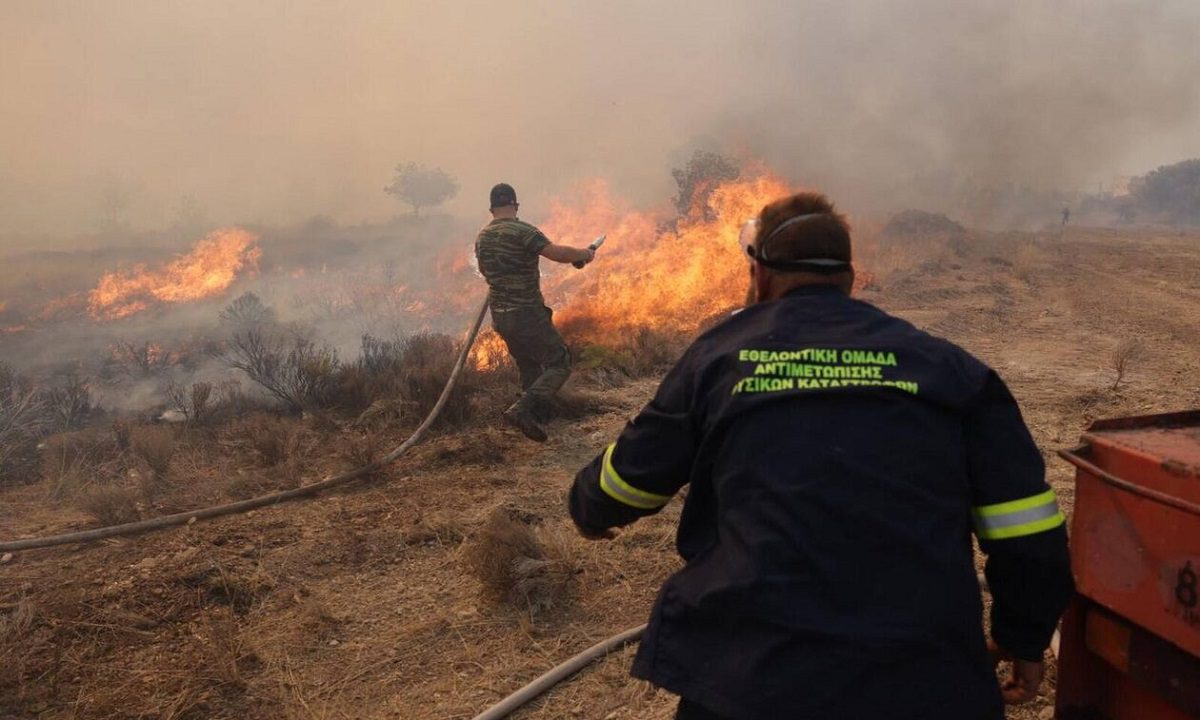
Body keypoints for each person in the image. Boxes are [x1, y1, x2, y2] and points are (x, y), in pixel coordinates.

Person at [568, 191, 1073, 720]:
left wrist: (587, 507)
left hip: (749, 677)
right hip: (920, 679)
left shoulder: (720, 359)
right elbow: (1029, 535)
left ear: (760, 275)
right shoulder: (949, 370)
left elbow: (629, 481)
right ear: (850, 278)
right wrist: (1024, 636)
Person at [475, 183, 595, 442]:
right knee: (559, 362)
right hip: (526, 313)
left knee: (528, 363)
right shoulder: (522, 230)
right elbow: (558, 253)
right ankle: (521, 410)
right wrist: (586, 253)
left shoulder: (482, 237)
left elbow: (486, 271)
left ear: (491, 208)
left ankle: (536, 416)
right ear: (515, 205)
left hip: (500, 315)